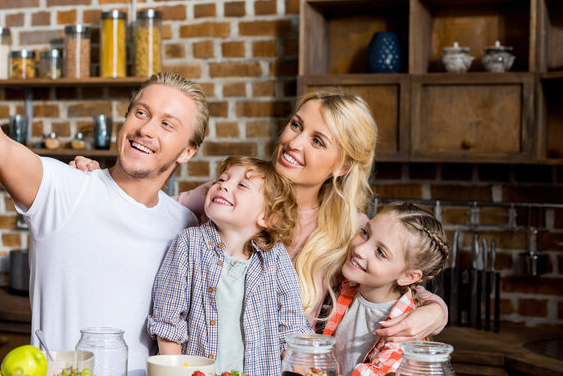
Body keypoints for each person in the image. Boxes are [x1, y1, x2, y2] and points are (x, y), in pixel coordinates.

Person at [0, 8, 210, 376]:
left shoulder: (184, 225)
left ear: (187, 151)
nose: (145, 129)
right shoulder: (66, 188)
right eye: (141, 112)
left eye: (167, 124)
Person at [73, 90, 449, 340]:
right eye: (296, 125)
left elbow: (400, 284)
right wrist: (101, 181)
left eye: (318, 141)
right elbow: (147, 211)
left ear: (343, 165)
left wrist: (435, 312)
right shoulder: (230, 194)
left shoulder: (352, 229)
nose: (294, 142)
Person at [147, 156, 312, 376]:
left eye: (242, 185)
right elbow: (168, 322)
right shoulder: (188, 243)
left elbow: (291, 325)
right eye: (221, 179)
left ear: (266, 217)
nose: (223, 185)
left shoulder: (275, 257)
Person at [322, 202, 449, 376]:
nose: (361, 249)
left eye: (381, 252)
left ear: (408, 277)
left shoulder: (406, 326)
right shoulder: (344, 286)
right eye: (365, 233)